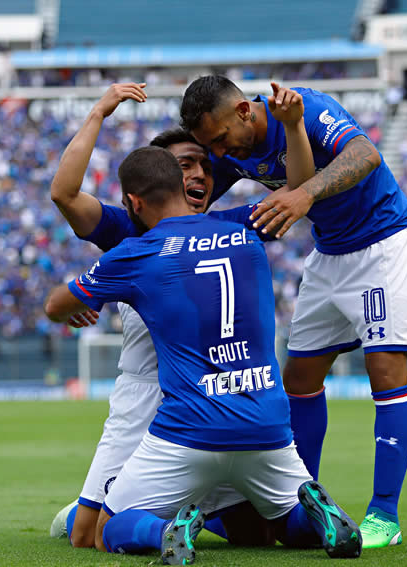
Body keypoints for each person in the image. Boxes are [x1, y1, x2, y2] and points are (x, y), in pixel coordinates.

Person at [43, 145, 362, 564]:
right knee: (280, 528)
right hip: (265, 424)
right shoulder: (245, 229)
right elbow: (296, 190)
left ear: (134, 203)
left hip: (189, 427)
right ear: (183, 187)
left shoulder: (136, 253)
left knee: (106, 530)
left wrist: (83, 300)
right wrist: (292, 126)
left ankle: (166, 531)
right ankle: (318, 519)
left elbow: (54, 306)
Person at [180, 75, 407, 549]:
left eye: (219, 139)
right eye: (209, 145)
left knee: (384, 370)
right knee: (299, 380)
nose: (218, 151)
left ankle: (385, 515)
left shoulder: (307, 109)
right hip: (329, 250)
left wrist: (305, 194)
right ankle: (299, 507)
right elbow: (192, 204)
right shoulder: (228, 150)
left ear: (243, 111)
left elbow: (366, 155)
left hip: (382, 241)